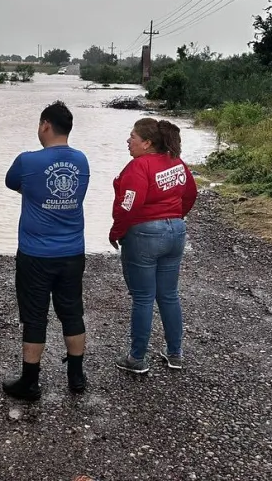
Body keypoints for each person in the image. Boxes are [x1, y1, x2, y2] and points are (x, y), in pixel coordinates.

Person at [2, 101, 90, 401]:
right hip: (72, 251)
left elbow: (10, 182)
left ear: (45, 125)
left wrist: (35, 193)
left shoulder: (27, 161)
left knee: (35, 316)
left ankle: (30, 382)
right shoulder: (82, 161)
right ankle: (76, 376)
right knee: (72, 312)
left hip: (35, 253)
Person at [109, 118, 197, 374]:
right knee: (169, 295)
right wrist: (176, 218)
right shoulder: (176, 162)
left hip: (145, 234)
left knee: (143, 297)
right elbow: (190, 193)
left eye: (133, 137)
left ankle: (136, 358)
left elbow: (129, 204)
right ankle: (175, 354)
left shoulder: (139, 166)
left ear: (147, 143)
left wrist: (117, 231)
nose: (128, 141)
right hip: (175, 232)